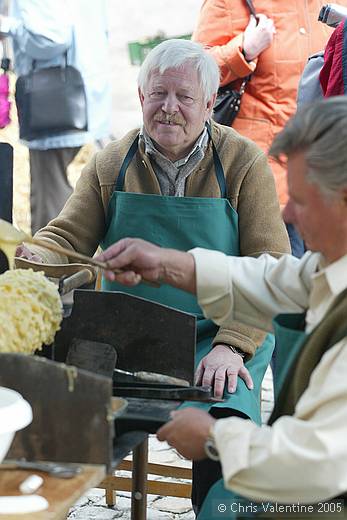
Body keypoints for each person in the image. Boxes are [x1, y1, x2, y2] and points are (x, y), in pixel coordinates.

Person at [17, 38, 289, 510]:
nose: (169, 108)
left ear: (208, 103)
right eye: (158, 94)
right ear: (141, 97)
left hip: (218, 334)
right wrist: (35, 255)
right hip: (127, 333)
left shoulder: (244, 163)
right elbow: (66, 238)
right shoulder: (112, 162)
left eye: (184, 98)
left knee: (225, 434)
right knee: (53, 410)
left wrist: (232, 345)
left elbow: (270, 268)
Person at [96, 96, 347, 517]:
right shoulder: (331, 266)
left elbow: (318, 464)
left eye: (300, 200)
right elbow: (276, 279)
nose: (288, 211)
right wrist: (168, 264)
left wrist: (216, 437)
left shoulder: (240, 159)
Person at [192, 0, 347, 258]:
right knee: (282, 282)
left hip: (329, 180)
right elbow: (192, 73)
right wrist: (243, 50)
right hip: (268, 182)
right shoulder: (231, 3)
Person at [0, 0, 111, 233]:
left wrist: (8, 26)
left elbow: (50, 38)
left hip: (56, 102)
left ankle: (52, 266)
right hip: (80, 92)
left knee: (49, 198)